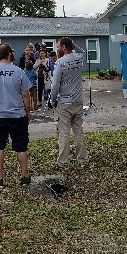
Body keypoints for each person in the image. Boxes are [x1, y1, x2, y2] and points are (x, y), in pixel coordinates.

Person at [0, 43, 32, 189]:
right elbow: (25, 94)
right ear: (9, 54)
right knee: (21, 147)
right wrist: (28, 111)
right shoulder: (18, 71)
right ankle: (24, 176)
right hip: (17, 115)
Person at [50, 37, 88, 168]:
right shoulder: (79, 58)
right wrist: (73, 44)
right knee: (78, 131)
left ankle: (62, 162)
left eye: (59, 46)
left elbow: (55, 85)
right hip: (78, 101)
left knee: (64, 132)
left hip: (64, 103)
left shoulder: (60, 62)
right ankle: (83, 159)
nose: (58, 48)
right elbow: (83, 52)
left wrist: (52, 100)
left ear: (64, 48)